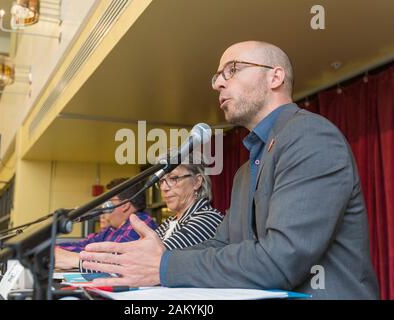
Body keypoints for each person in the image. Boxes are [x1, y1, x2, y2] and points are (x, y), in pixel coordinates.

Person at [79, 41, 380, 299]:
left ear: (275, 77)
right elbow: (220, 244)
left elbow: (281, 260)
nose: (218, 83)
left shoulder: (310, 136)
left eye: (232, 70)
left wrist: (164, 266)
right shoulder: (245, 170)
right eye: (217, 77)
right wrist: (150, 258)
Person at [55, 178, 158, 270]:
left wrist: (68, 256)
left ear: (125, 205)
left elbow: (114, 258)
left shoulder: (141, 223)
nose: (104, 207)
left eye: (109, 202)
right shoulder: (112, 229)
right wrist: (52, 250)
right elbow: (85, 245)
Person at [154, 159, 223, 250]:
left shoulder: (209, 219)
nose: (164, 188)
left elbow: (157, 256)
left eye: (173, 178)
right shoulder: (170, 221)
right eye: (161, 181)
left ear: (197, 182)